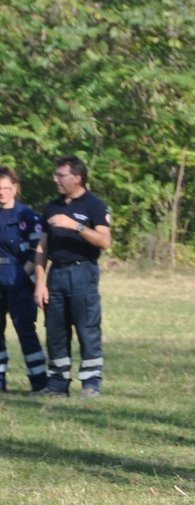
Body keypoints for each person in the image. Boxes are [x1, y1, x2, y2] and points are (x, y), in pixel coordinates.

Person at [33, 155, 112, 398]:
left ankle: (90, 383)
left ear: (77, 178)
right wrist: (40, 282)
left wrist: (75, 226)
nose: (55, 179)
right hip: (56, 274)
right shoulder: (51, 207)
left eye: (60, 175)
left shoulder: (95, 206)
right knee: (55, 330)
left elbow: (105, 241)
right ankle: (57, 383)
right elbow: (41, 248)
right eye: (55, 175)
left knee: (87, 328)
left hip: (83, 272)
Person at [0, 166, 48, 392]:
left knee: (25, 330)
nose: (2, 193)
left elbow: (37, 250)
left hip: (19, 278)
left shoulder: (27, 216)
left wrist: (23, 276)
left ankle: (39, 382)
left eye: (7, 188)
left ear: (15, 189)